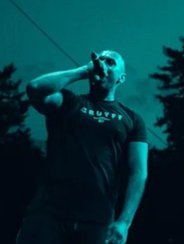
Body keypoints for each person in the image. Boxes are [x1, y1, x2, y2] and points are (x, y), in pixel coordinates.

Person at [17, 50, 148, 244]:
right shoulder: (68, 102)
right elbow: (35, 88)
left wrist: (124, 222)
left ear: (121, 78)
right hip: (48, 214)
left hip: (98, 221)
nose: (102, 64)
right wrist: (84, 71)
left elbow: (138, 172)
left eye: (110, 62)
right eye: (99, 60)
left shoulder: (132, 119)